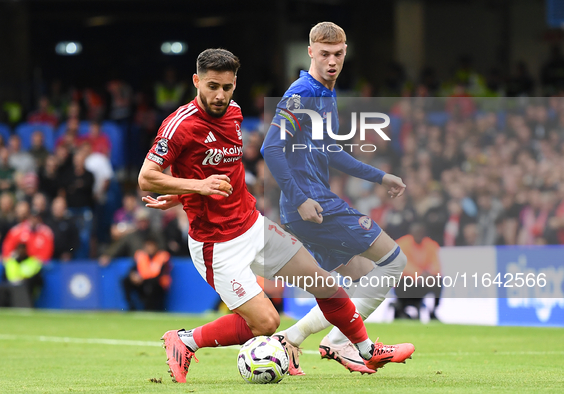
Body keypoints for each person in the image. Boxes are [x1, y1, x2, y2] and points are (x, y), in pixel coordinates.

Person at [139, 48, 384, 383]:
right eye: (212, 86)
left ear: (235, 85)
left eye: (226, 87)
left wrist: (185, 192)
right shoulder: (180, 125)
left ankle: (367, 350)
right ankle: (184, 341)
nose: (220, 95)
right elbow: (146, 177)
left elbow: (220, 170)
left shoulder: (235, 113)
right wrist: (195, 187)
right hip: (217, 245)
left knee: (325, 283)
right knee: (267, 323)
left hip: (252, 225)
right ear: (196, 81)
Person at [261, 22, 414, 375]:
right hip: (312, 203)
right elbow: (271, 148)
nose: (332, 61)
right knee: (394, 260)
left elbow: (331, 152)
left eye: (339, 54)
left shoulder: (326, 95)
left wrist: (379, 176)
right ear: (311, 52)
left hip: (312, 202)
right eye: (325, 54)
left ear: (346, 53)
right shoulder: (302, 93)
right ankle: (342, 342)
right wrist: (300, 198)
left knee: (361, 278)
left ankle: (292, 338)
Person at [395, 222, 442, 320]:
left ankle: (433, 311)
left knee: (438, 280)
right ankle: (402, 310)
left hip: (422, 283)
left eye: (421, 233)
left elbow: (436, 264)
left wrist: (431, 274)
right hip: (406, 282)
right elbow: (403, 265)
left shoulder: (430, 245)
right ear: (411, 233)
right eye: (416, 233)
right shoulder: (402, 244)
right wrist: (419, 274)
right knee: (404, 281)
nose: (418, 235)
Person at [122, 237, 171, 311]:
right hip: (142, 282)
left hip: (157, 284)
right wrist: (133, 276)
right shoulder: (141, 255)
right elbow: (133, 268)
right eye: (148, 245)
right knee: (126, 280)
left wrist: (143, 279)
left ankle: (150, 308)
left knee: (151, 285)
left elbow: (161, 274)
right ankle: (131, 306)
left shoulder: (162, 256)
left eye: (151, 245)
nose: (150, 248)